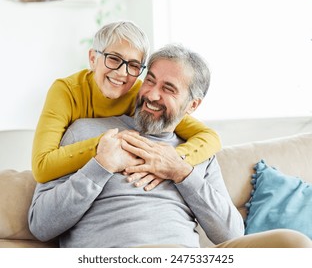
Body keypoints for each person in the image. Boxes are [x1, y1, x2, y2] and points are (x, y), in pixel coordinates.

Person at [28, 44, 312, 248]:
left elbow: (231, 234)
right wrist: (100, 167)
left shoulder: (195, 154)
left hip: (184, 257)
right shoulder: (86, 133)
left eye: (168, 88)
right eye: (149, 81)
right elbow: (41, 226)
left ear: (193, 105)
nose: (151, 94)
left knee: (293, 243)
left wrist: (182, 174)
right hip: (118, 256)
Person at [31, 20, 221, 189]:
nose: (122, 73)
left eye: (133, 65)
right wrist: (105, 145)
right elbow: (41, 167)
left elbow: (209, 137)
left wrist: (168, 160)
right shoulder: (66, 91)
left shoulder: (141, 95)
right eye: (113, 58)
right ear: (93, 59)